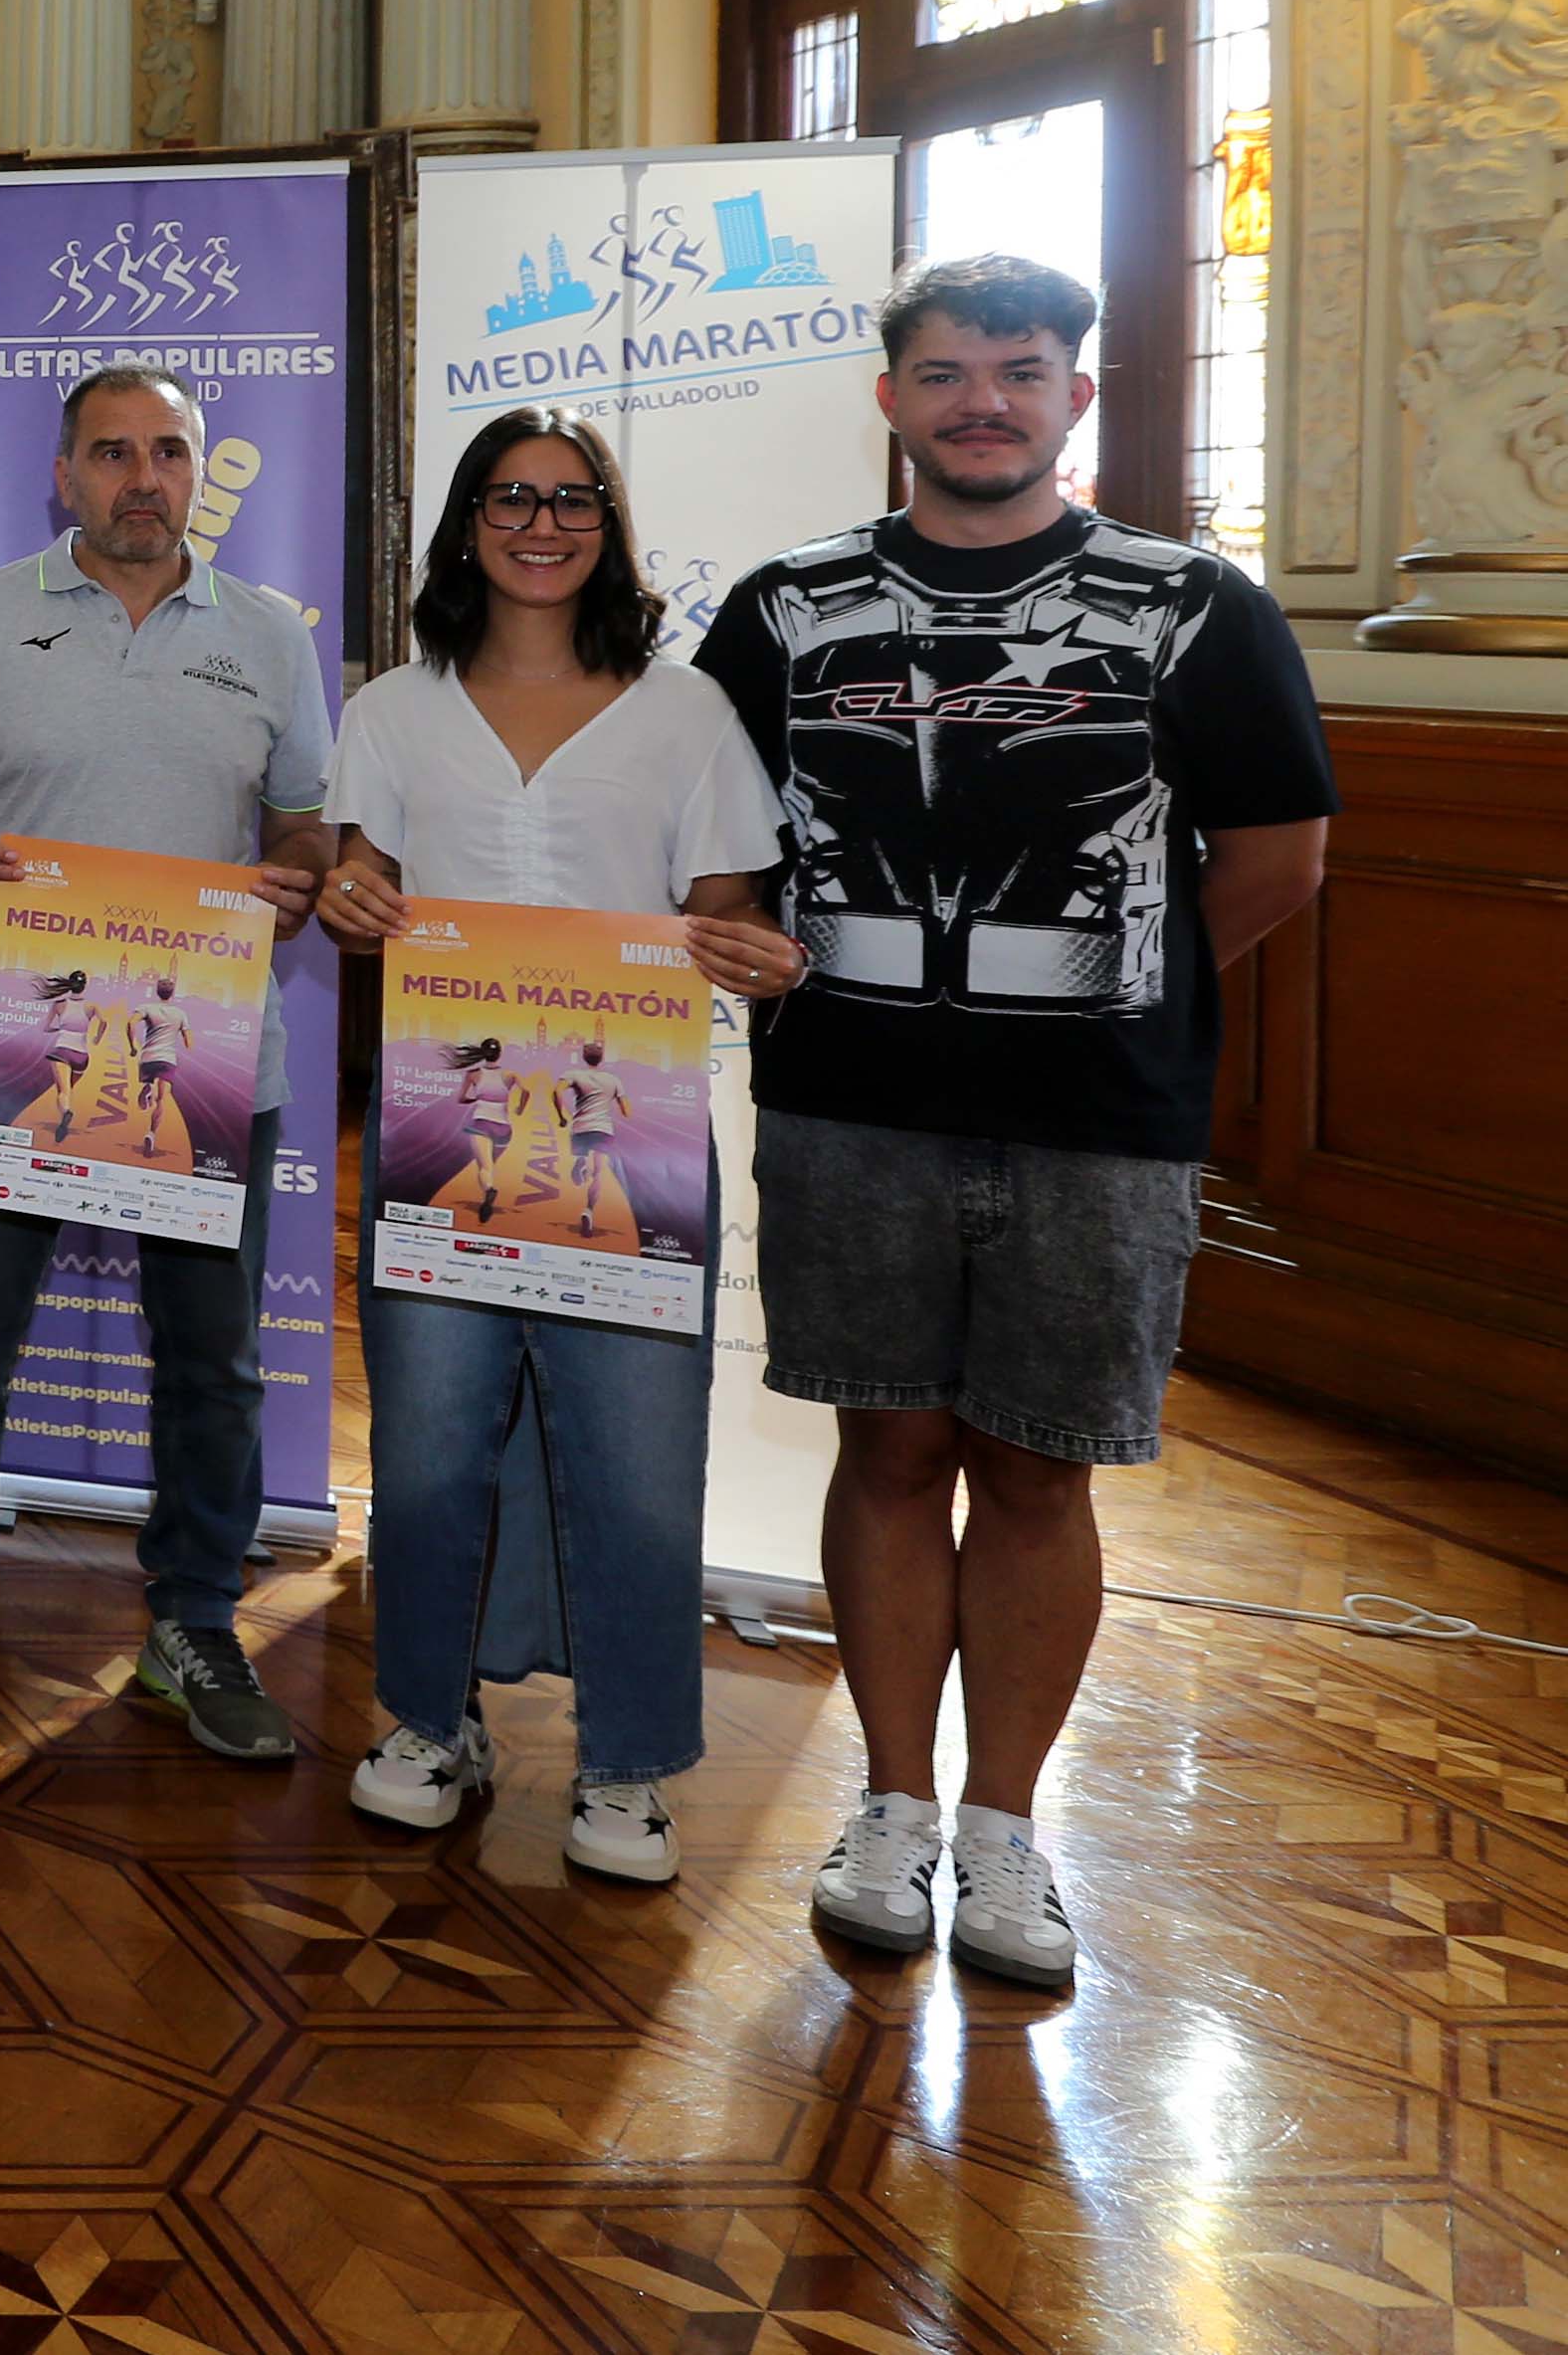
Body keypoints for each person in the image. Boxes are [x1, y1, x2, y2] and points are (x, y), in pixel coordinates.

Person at [697, 255, 1329, 1986]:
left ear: (1076, 396)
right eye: (947, 372)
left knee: (1043, 1471)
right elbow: (712, 840)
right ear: (890, 399)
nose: (984, 402)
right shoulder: (783, 610)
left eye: (1021, 370)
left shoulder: (1195, 605)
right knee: (891, 1451)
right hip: (852, 1110)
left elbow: (1278, 858)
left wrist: (1117, 990)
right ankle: (892, 1805)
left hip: (1098, 1125)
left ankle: (1005, 1829)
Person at [314, 407, 803, 1882]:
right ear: (467, 524)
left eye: (573, 500)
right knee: (429, 1447)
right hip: (442, 1131)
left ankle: (628, 1761)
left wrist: (758, 954)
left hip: (628, 1136)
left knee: (637, 1459)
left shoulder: (685, 712)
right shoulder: (393, 711)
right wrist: (348, 900)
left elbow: (733, 909)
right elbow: (361, 880)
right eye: (512, 498)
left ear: (611, 526)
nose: (542, 525)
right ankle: (430, 1721)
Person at [0, 362, 331, 1758]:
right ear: (64, 474)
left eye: (169, 454)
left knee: (213, 1363)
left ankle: (195, 1620)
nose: (144, 480)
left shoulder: (270, 635)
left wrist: (296, 879)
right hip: (9, 1040)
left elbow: (304, 824)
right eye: (114, 453)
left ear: (197, 472)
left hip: (200, 1054)